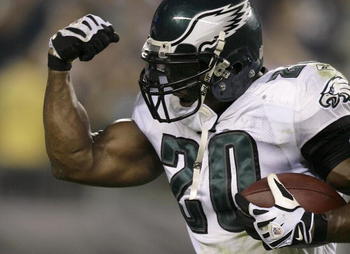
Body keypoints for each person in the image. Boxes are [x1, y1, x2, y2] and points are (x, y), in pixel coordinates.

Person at [43, 0, 350, 253]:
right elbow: (76, 162)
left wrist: (321, 225)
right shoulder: (169, 113)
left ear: (233, 62)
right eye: (161, 63)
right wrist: (59, 67)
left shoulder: (295, 98)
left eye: (183, 64)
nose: (166, 77)